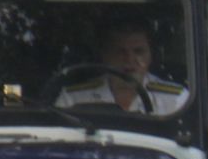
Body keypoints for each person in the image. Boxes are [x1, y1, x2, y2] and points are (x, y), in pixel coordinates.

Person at [56, 19, 191, 115]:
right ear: (104, 55)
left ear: (151, 55)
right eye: (120, 52)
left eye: (138, 51)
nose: (129, 60)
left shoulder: (176, 100)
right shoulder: (73, 98)